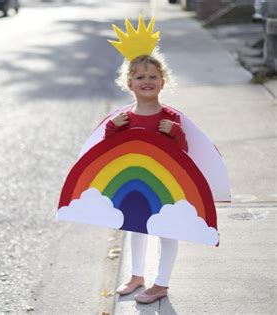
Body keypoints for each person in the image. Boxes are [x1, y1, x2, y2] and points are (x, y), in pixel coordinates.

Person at [104, 53, 188, 304]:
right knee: (135, 229)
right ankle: (137, 275)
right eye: (140, 76)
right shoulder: (124, 119)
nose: (147, 80)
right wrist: (112, 128)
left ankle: (161, 283)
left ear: (163, 81)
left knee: (167, 231)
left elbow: (183, 154)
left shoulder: (171, 117)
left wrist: (176, 132)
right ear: (129, 83)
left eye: (153, 76)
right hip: (135, 186)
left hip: (166, 185)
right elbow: (108, 153)